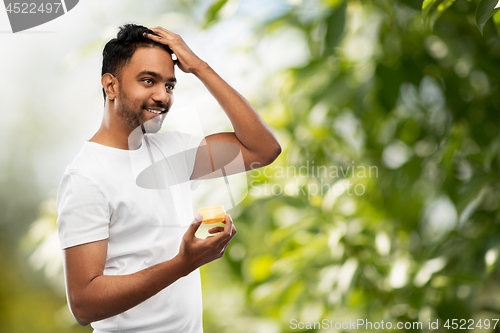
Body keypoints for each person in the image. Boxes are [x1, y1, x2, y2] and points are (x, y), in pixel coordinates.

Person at [56, 24, 281, 333]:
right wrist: (183, 264)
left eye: (170, 85)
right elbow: (83, 304)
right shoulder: (86, 177)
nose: (162, 96)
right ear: (111, 86)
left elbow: (263, 148)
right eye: (148, 81)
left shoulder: (173, 151)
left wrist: (201, 68)